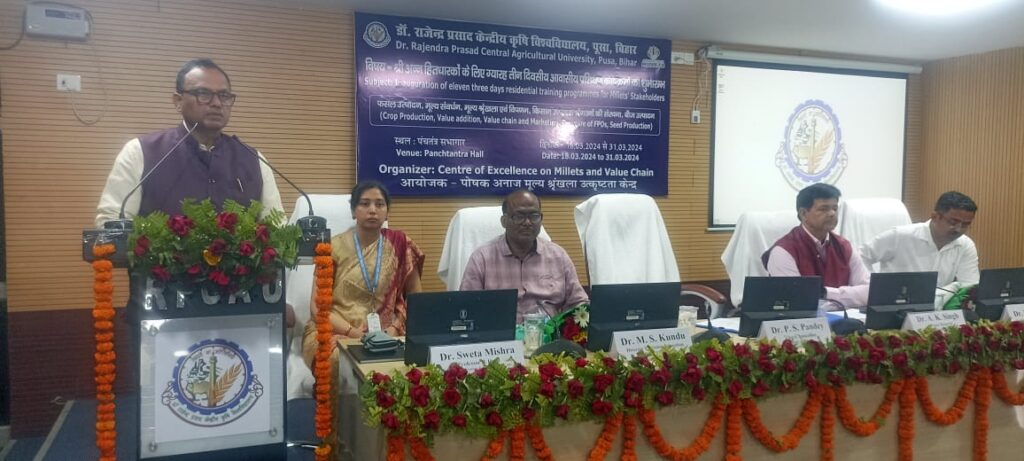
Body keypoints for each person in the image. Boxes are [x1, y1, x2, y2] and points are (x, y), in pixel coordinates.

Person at [95, 58, 282, 227]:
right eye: (203, 94)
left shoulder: (253, 159)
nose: (217, 103)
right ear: (178, 101)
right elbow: (111, 223)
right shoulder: (140, 152)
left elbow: (277, 228)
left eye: (224, 96)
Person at [302, 181, 424, 367]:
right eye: (365, 204)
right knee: (338, 360)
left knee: (416, 356)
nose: (372, 210)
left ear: (387, 212)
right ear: (353, 211)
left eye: (379, 204)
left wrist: (395, 328)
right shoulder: (332, 248)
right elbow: (317, 308)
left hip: (389, 332)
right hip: (337, 330)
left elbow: (416, 298)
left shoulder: (401, 244)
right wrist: (354, 334)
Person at [460, 189, 589, 322]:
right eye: (519, 216)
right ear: (504, 221)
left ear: (541, 219)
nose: (527, 222)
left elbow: (579, 304)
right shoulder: (481, 258)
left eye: (534, 216)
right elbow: (467, 307)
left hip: (549, 332)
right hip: (500, 332)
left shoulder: (558, 256)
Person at [763, 183, 870, 308]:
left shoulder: (844, 246)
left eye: (835, 208)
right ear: (803, 214)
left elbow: (869, 292)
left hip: (845, 317)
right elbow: (796, 300)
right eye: (823, 209)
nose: (832, 213)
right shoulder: (784, 251)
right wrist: (846, 298)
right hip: (804, 320)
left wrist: (825, 293)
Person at [860, 191, 979, 297]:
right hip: (895, 303)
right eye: (953, 222)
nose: (958, 229)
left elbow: (968, 286)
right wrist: (874, 287)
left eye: (965, 224)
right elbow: (861, 255)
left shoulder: (965, 245)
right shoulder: (901, 235)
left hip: (937, 309)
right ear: (935, 217)